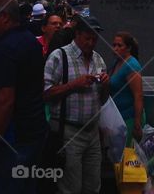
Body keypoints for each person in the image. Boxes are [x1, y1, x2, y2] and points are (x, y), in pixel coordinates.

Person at [0, 0, 47, 193]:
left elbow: (4, 102)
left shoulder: (6, 50)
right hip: (32, 132)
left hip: (11, 139)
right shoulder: (30, 41)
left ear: (5, 17)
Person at [43, 16, 109, 194]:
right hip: (69, 132)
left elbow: (103, 99)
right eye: (87, 38)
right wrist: (73, 85)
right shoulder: (59, 57)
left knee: (93, 185)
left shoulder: (98, 59)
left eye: (94, 39)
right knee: (71, 187)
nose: (91, 42)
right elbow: (45, 93)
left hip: (92, 133)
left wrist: (105, 84)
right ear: (77, 35)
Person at [109, 32, 145, 145]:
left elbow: (138, 95)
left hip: (130, 119)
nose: (115, 48)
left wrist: (137, 124)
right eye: (114, 45)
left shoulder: (132, 66)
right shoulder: (116, 62)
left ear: (128, 48)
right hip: (118, 119)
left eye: (119, 46)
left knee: (129, 158)